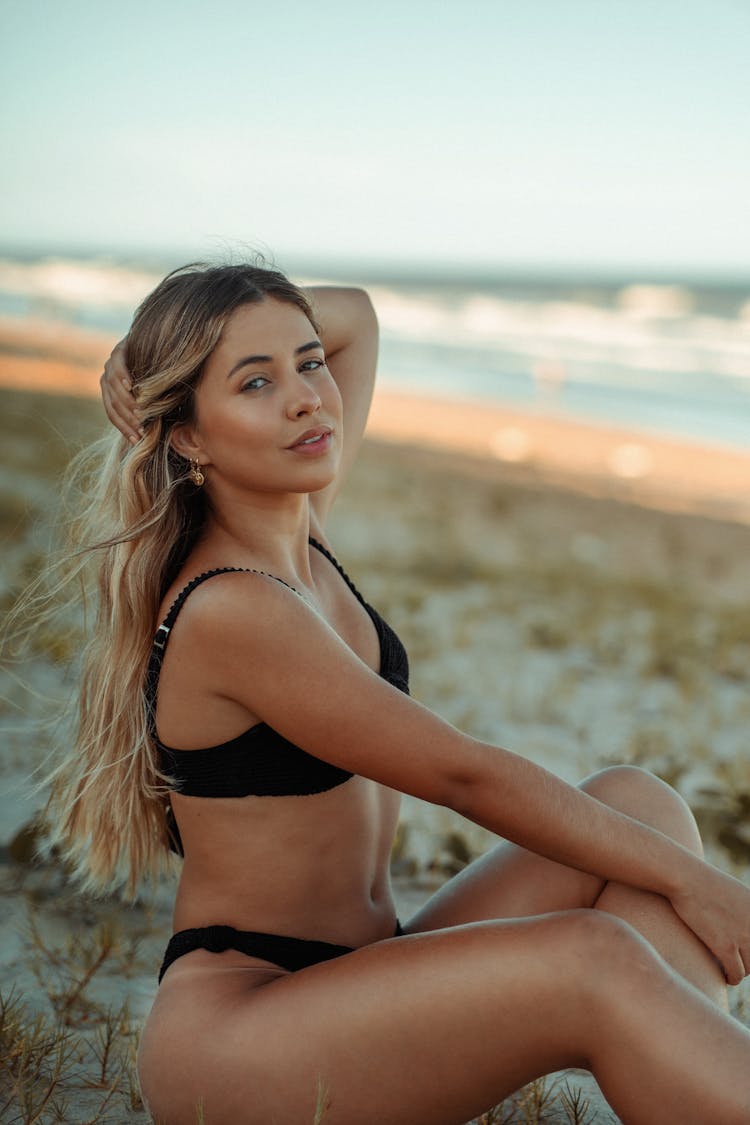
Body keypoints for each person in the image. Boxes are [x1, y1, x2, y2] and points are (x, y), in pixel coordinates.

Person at [65, 259, 748, 1125]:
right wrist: (702, 885)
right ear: (190, 435)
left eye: (309, 364)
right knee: (595, 954)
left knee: (636, 807)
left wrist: (142, 352)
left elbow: (355, 315)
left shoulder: (297, 531)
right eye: (255, 382)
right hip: (247, 1037)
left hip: (362, 975)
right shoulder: (234, 606)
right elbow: (465, 776)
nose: (309, 397)